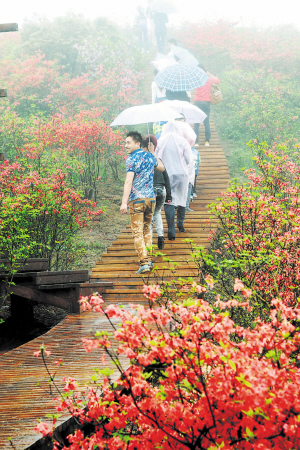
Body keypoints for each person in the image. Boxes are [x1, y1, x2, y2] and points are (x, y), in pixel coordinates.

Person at [120, 131, 165, 274]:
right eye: (125, 143)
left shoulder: (131, 159)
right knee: (147, 230)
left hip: (137, 201)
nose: (125, 145)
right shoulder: (149, 156)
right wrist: (153, 153)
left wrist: (123, 202)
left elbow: (128, 181)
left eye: (128, 142)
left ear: (137, 143)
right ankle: (149, 259)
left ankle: (144, 262)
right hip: (150, 200)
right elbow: (162, 168)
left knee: (138, 233)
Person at [156, 120, 191, 240]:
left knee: (168, 200)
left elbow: (156, 158)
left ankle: (171, 229)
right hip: (181, 174)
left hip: (166, 174)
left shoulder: (161, 141)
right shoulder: (183, 141)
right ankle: (180, 223)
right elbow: (188, 159)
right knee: (182, 196)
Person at [142, 135, 172, 250]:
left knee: (148, 215)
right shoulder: (159, 161)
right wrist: (169, 194)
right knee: (157, 213)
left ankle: (149, 243)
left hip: (150, 191)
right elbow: (166, 178)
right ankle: (160, 238)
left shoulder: (144, 161)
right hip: (162, 191)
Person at [194, 66, 220, 146]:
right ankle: (207, 141)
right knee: (206, 122)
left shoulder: (196, 79)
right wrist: (209, 74)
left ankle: (196, 142)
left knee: (196, 123)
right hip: (206, 102)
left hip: (197, 102)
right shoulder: (209, 79)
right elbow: (218, 81)